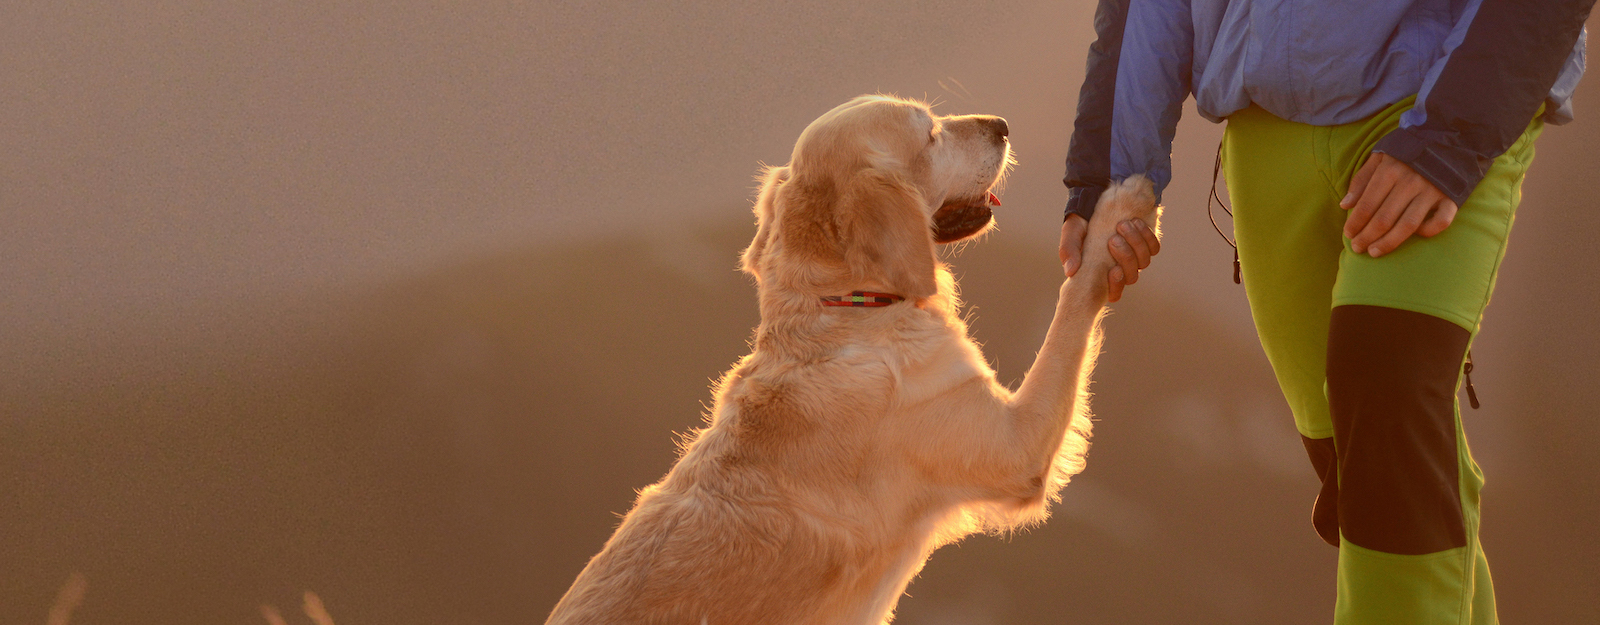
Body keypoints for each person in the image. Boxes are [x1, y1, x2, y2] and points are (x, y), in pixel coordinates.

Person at [1056, 2, 1593, 623]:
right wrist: (1112, 178)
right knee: (1358, 465)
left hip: (1436, 98)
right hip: (1266, 128)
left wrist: (1452, 135)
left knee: (1388, 410)